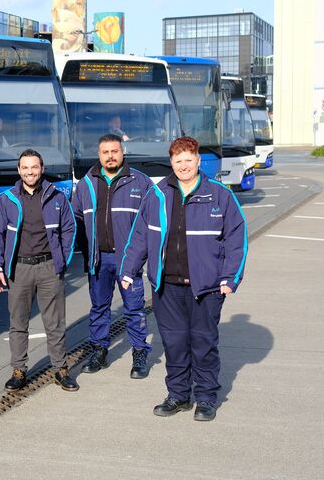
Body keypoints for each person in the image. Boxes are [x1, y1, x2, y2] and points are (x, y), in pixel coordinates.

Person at [120, 136, 247, 421]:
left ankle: (205, 398)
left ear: (198, 161)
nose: (184, 166)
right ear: (171, 163)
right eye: (178, 161)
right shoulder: (157, 194)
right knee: (175, 344)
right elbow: (140, 235)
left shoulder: (220, 195)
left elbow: (236, 239)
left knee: (203, 343)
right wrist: (128, 269)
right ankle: (178, 395)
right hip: (167, 287)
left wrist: (231, 277)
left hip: (207, 287)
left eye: (189, 160)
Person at [0, 149, 78, 392]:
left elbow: (69, 229)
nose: (30, 172)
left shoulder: (57, 197)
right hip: (19, 269)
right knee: (18, 323)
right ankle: (19, 370)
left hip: (50, 267)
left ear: (42, 168)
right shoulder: (6, 199)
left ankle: (60, 369)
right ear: (19, 170)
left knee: (55, 322)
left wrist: (63, 259)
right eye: (25, 168)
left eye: (34, 167)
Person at [70, 134, 153, 379]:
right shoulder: (86, 184)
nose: (110, 156)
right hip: (98, 259)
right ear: (99, 155)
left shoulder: (140, 182)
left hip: (128, 260)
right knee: (99, 308)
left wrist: (142, 255)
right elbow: (75, 221)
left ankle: (139, 353)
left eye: (114, 151)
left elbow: (151, 223)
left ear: (122, 152)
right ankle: (99, 350)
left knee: (135, 309)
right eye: (105, 152)